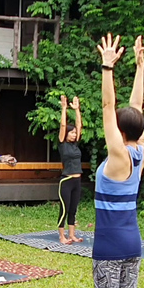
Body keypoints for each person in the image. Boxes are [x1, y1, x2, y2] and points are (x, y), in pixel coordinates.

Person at [80, 34, 144, 288]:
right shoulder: (140, 150)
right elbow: (134, 110)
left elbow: (110, 109)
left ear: (119, 132)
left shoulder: (119, 156)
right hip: (133, 243)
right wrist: (140, 67)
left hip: (108, 246)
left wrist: (108, 66)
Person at [57, 94, 83, 244]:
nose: (73, 135)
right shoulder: (62, 143)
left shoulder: (75, 145)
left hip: (77, 181)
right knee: (65, 209)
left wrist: (77, 109)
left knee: (73, 209)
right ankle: (62, 236)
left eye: (74, 133)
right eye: (71, 133)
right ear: (66, 134)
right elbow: (62, 126)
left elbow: (79, 125)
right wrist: (64, 108)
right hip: (66, 180)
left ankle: (72, 235)